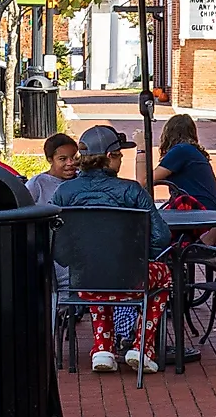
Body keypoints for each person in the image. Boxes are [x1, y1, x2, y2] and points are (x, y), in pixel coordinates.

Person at [52, 125, 173, 373]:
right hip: (130, 278)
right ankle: (142, 347)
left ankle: (103, 348)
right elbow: (161, 237)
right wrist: (140, 255)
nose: (121, 160)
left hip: (84, 281)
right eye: (119, 155)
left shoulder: (63, 192)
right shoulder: (132, 191)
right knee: (164, 275)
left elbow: (56, 243)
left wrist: (78, 259)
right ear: (109, 156)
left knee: (98, 274)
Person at [152, 112, 216, 210]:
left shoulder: (181, 150)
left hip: (197, 208)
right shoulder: (191, 150)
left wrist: (141, 148)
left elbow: (145, 181)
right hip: (208, 208)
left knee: (150, 216)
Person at [28, 131, 80, 206]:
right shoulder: (37, 184)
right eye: (62, 159)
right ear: (50, 160)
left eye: (74, 157)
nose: (71, 163)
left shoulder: (82, 180)